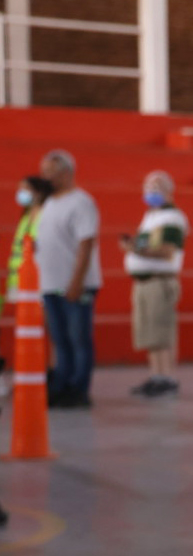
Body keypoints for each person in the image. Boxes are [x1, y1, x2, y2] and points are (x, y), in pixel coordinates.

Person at [34, 150, 101, 409]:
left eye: (50, 172)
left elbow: (86, 244)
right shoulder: (49, 203)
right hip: (50, 284)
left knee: (78, 338)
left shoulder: (81, 202)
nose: (45, 177)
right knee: (60, 340)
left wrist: (77, 281)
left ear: (66, 173)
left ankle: (79, 388)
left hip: (74, 284)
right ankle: (61, 384)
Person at [120, 171, 188, 398]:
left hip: (160, 282)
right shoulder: (151, 216)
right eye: (147, 187)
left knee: (161, 331)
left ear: (169, 190)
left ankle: (167, 377)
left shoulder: (172, 218)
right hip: (145, 281)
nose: (150, 192)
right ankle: (156, 375)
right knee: (149, 333)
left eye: (156, 187)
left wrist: (135, 249)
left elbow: (167, 251)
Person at [5, 175, 52, 320]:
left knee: (43, 319)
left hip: (38, 277)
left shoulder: (46, 215)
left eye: (25, 189)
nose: (20, 193)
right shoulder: (25, 217)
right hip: (19, 277)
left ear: (38, 193)